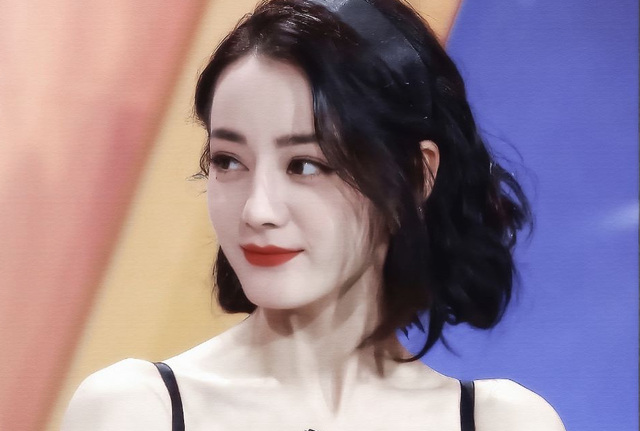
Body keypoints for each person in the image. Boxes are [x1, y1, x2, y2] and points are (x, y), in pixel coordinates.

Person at [62, 0, 566, 429]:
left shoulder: (502, 421)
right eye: (228, 161)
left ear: (416, 176)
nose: (258, 210)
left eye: (305, 165)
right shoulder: (135, 410)